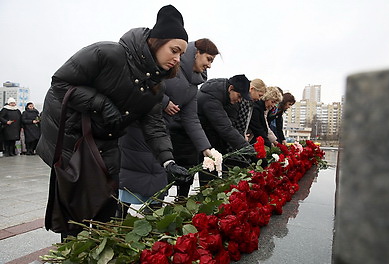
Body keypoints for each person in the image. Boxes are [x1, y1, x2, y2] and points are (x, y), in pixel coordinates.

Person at [37, 4, 190, 238]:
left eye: (181, 54)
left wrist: (168, 162)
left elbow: (154, 126)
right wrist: (102, 104)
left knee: (105, 209)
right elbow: (60, 83)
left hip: (108, 141)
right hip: (74, 138)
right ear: (157, 41)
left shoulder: (156, 88)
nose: (177, 59)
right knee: (74, 215)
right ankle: (72, 255)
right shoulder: (106, 54)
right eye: (174, 50)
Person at [162, 38, 220, 198]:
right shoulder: (171, 66)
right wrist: (164, 101)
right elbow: (148, 86)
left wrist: (206, 149)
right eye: (208, 59)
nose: (209, 65)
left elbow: (191, 118)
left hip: (161, 135)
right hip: (146, 130)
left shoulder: (193, 86)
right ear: (196, 53)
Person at [197, 74, 255, 185]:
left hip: (213, 139)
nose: (239, 100)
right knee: (206, 178)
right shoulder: (211, 97)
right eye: (239, 96)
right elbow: (225, 128)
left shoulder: (228, 98)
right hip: (201, 139)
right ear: (231, 88)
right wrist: (250, 151)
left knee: (212, 179)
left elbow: (231, 124)